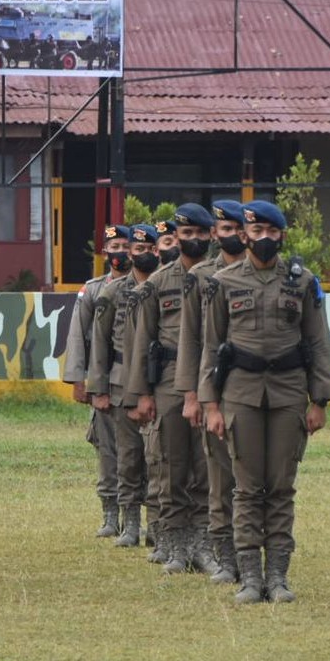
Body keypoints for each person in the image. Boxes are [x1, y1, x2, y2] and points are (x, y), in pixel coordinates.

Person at [200, 200, 330, 604]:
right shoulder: (222, 282)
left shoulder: (301, 281)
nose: (264, 240)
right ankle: (250, 578)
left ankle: (278, 577)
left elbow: (317, 342)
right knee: (245, 488)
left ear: (281, 235)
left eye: (272, 233)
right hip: (239, 393)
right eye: (257, 233)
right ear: (244, 235)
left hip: (289, 392)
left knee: (280, 487)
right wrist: (210, 405)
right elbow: (211, 346)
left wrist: (320, 401)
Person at [127, 203, 215, 575]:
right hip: (166, 381)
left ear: (210, 236)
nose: (192, 240)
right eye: (186, 234)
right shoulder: (158, 283)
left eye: (199, 233)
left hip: (210, 380)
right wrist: (141, 395)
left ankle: (205, 546)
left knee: (209, 468)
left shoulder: (221, 277)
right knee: (172, 465)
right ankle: (176, 546)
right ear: (175, 238)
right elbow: (141, 340)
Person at [175, 199, 248, 584]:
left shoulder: (275, 274)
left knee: (254, 478)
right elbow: (191, 340)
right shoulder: (201, 276)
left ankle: (255, 551)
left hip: (257, 387)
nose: (233, 235)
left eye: (240, 229)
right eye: (226, 229)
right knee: (218, 475)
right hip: (214, 387)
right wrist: (193, 396)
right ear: (216, 234)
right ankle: (224, 553)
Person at [88, 224, 161, 549]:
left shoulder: (165, 285)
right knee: (128, 458)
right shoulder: (112, 292)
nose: (143, 255)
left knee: (159, 458)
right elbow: (99, 345)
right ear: (129, 252)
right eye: (137, 249)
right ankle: (129, 523)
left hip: (159, 383)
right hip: (121, 386)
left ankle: (156, 524)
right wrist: (98, 389)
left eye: (149, 250)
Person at [63, 223, 130, 538]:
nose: (119, 253)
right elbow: (78, 335)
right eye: (113, 247)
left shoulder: (149, 284)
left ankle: (136, 518)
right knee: (106, 449)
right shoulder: (92, 289)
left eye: (124, 246)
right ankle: (109, 514)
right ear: (105, 252)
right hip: (102, 381)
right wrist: (79, 380)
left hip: (135, 381)